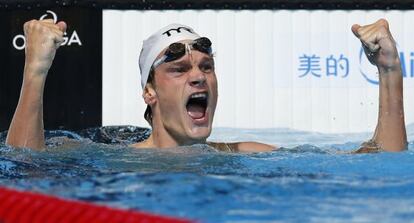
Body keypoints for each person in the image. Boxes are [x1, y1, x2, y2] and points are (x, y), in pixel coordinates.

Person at [6, 18, 407, 153]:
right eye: (179, 69)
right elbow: (25, 166)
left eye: (206, 67)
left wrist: (389, 71)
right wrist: (35, 72)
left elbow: (380, 161)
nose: (199, 76)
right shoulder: (106, 157)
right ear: (149, 91)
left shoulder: (244, 154)